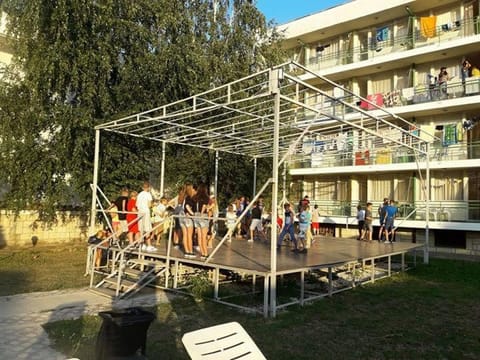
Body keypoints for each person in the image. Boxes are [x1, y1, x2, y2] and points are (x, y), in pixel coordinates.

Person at [137, 181, 156, 252]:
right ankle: (149, 245)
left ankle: (141, 244)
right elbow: (149, 205)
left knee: (141, 229)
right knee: (147, 228)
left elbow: (137, 205)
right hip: (146, 212)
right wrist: (153, 205)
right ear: (149, 187)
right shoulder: (148, 194)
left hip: (140, 212)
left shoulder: (139, 194)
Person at [193, 183, 210, 259]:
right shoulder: (206, 197)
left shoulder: (195, 197)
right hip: (202, 216)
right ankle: (205, 253)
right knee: (204, 236)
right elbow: (204, 206)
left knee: (199, 236)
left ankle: (202, 253)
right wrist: (202, 213)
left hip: (196, 215)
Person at [181, 182, 196, 258]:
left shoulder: (183, 196)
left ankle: (186, 251)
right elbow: (187, 206)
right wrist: (193, 214)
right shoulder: (189, 197)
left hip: (182, 217)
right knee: (189, 235)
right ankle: (190, 251)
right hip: (188, 217)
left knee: (185, 234)